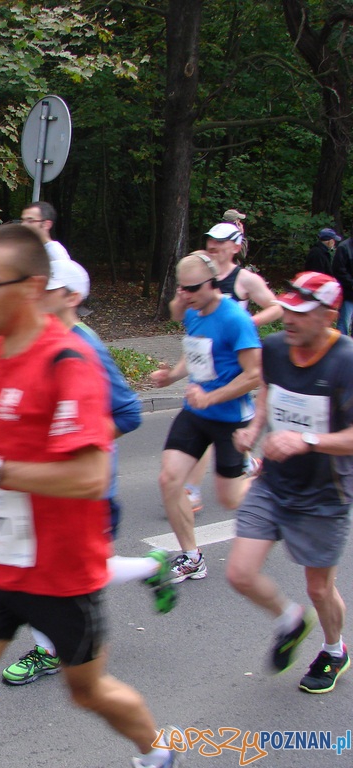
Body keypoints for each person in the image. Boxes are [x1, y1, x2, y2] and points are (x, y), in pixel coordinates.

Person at [0, 224, 179, 768]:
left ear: (33, 288)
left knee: (88, 692)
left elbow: (88, 475)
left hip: (60, 575)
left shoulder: (70, 362)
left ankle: (157, 752)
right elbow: (19, 438)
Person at [0, 260, 176, 687]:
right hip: (50, 481)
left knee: (55, 572)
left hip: (83, 486)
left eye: (51, 290)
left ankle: (51, 651)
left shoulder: (86, 347)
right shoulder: (41, 338)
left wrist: (73, 448)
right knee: (57, 567)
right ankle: (151, 568)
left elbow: (128, 412)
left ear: (72, 297)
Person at [228, 271, 352, 694]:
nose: (290, 318)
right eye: (288, 308)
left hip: (325, 493)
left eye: (302, 312)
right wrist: (254, 428)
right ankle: (291, 620)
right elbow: (267, 390)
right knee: (240, 572)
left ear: (330, 316)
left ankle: (335, 651)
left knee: (319, 586)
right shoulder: (277, 346)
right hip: (275, 481)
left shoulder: (346, 362)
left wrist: (306, 440)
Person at [153, 252, 262, 583]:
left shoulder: (235, 319)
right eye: (181, 288)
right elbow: (195, 353)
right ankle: (192, 556)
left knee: (230, 499)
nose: (185, 295)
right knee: (169, 480)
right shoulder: (195, 312)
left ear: (213, 284)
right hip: (196, 414)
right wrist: (173, 377)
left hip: (230, 417)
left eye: (191, 288)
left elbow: (254, 374)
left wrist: (210, 396)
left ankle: (267, 481)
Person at [170, 222, 280, 514]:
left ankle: (253, 475)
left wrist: (248, 324)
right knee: (201, 425)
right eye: (210, 241)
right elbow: (182, 321)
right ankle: (192, 490)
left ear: (235, 246)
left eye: (220, 242)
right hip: (207, 359)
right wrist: (171, 375)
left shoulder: (244, 278)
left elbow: (276, 307)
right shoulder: (199, 274)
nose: (213, 246)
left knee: (221, 428)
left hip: (235, 356)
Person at [330, 233, 353, 334]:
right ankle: (340, 347)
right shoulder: (344, 247)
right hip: (347, 293)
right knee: (344, 323)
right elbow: (339, 270)